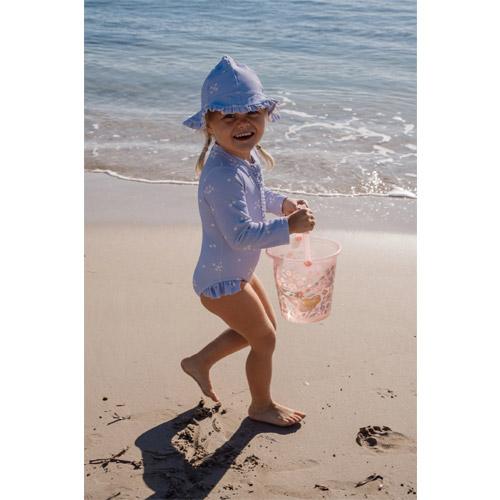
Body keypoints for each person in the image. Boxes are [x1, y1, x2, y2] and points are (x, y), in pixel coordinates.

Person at [180, 56, 316, 427]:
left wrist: (282, 204)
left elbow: (256, 195)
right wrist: (289, 227)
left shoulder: (244, 157)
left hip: (235, 271)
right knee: (264, 339)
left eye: (251, 113)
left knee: (259, 330)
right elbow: (240, 235)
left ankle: (199, 362)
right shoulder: (222, 174)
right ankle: (260, 406)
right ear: (209, 125)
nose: (243, 123)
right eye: (229, 116)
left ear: (266, 115)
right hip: (220, 280)